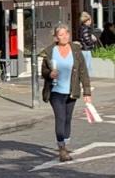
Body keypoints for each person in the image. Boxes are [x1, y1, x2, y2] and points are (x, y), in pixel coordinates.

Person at [39, 24, 94, 162]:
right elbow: (43, 72)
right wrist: (49, 74)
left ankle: (66, 144)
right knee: (61, 118)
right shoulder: (50, 51)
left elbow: (83, 72)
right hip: (55, 91)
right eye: (61, 35)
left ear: (69, 35)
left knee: (68, 119)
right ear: (56, 37)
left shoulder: (75, 50)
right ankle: (62, 148)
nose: (64, 37)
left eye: (66, 34)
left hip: (71, 90)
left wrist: (87, 91)